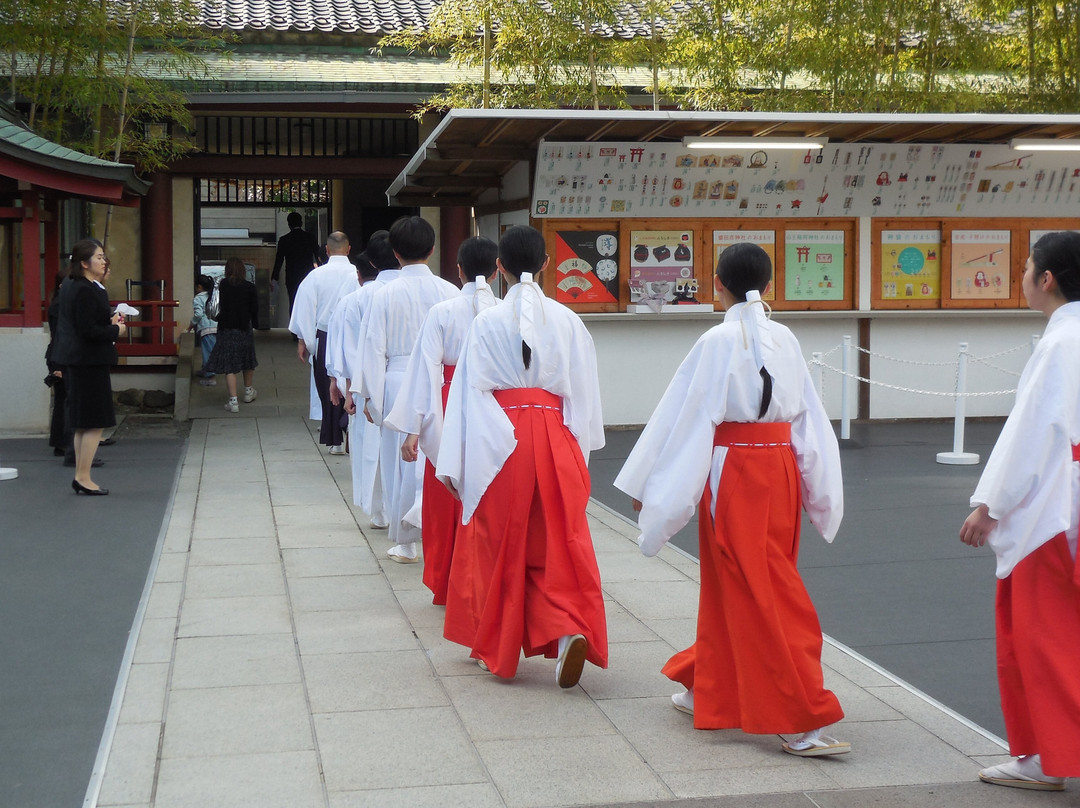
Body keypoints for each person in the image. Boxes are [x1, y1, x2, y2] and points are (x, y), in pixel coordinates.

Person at [614, 242, 847, 755]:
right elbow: (809, 416)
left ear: (718, 284)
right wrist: (819, 487)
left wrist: (656, 486)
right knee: (754, 581)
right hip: (779, 468)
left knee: (755, 587)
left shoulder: (716, 340)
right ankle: (709, 682)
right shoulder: (785, 337)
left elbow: (687, 416)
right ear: (768, 287)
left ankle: (792, 709)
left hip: (734, 470)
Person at [435, 225, 607, 688]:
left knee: (498, 539)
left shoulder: (485, 324)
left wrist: (456, 460)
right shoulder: (568, 321)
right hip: (554, 434)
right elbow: (583, 395)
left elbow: (469, 394)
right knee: (560, 537)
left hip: (502, 436)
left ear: (500, 268)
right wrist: (580, 450)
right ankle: (568, 625)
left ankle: (498, 642)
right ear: (547, 265)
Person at [959, 231, 1080, 792]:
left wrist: (991, 505)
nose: (1023, 275)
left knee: (1040, 632)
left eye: (1028, 266)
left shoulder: (1059, 344)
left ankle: (1046, 754)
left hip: (1058, 502)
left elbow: (1031, 435)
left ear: (1047, 278)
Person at [386, 236, 500, 604]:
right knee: (487, 491)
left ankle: (448, 578)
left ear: (459, 269)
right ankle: (485, 576)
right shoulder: (503, 311)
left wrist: (413, 428)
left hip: (449, 399)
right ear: (497, 270)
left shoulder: (444, 312)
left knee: (445, 494)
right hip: (496, 406)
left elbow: (424, 370)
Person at [356, 216, 459, 562]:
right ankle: (444, 531)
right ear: (432, 250)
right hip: (442, 380)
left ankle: (406, 540)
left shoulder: (385, 294)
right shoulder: (450, 291)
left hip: (397, 378)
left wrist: (370, 394)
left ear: (395, 253)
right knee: (438, 458)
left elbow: (373, 347)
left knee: (398, 462)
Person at [325, 232, 399, 526]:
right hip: (408, 378)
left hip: (364, 381)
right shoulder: (420, 292)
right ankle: (405, 510)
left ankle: (379, 510)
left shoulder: (355, 300)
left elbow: (342, 349)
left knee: (371, 447)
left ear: (367, 263)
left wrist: (340, 384)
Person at [56, 238, 126, 495]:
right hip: (88, 361)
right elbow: (87, 330)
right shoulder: (85, 289)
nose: (103, 260)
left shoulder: (77, 286)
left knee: (84, 422)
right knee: (93, 422)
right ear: (84, 263)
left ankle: (81, 475)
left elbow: (85, 323)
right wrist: (115, 329)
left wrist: (108, 320)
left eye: (103, 256)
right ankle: (83, 476)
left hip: (82, 360)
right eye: (98, 257)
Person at [289, 231, 359, 454]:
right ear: (349, 249)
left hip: (325, 335)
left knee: (328, 387)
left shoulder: (315, 276)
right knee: (350, 382)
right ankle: (349, 430)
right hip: (352, 336)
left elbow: (305, 309)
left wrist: (304, 340)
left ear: (327, 251)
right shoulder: (357, 273)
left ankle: (335, 440)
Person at [203, 257, 258, 413]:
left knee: (230, 365)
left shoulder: (223, 285)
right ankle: (248, 392)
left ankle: (233, 401)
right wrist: (255, 324)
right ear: (242, 270)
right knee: (247, 359)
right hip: (243, 327)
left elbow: (216, 304)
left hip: (226, 327)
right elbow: (254, 309)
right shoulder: (249, 287)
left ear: (227, 270)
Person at [271, 211, 324, 318]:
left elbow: (279, 261)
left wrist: (274, 278)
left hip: (292, 277)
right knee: (309, 303)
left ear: (289, 224)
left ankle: (294, 332)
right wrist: (322, 272)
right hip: (308, 276)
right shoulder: (310, 237)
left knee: (293, 302)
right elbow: (318, 255)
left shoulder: (284, 240)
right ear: (301, 223)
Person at [187, 274, 218, 386]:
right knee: (210, 351)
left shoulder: (198, 298)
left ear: (199, 287)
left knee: (207, 353)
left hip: (206, 328)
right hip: (216, 327)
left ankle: (211, 377)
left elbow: (198, 314)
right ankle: (205, 370)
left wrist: (192, 323)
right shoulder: (211, 296)